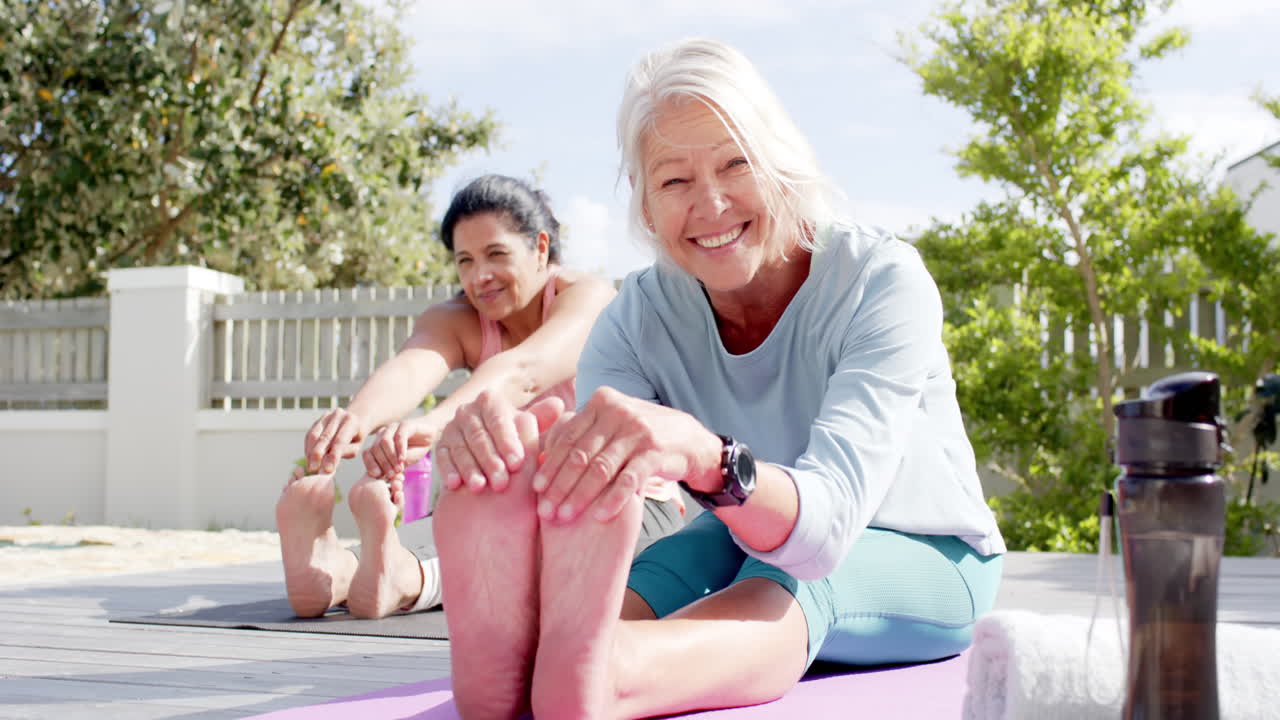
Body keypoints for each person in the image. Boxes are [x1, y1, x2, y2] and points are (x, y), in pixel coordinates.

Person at [428, 39, 1007, 720]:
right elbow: (584, 486)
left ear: (782, 168)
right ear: (645, 209)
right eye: (673, 181)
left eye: (736, 165)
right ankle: (534, 658)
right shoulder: (636, 315)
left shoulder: (880, 281)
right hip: (739, 529)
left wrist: (707, 457)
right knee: (654, 572)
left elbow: (826, 532)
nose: (709, 203)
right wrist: (506, 458)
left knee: (797, 574)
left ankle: (615, 674)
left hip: (927, 553)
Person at [275, 174, 687, 620]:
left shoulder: (590, 298)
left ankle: (405, 579)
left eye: (495, 254)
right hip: (517, 499)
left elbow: (523, 374)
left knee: (519, 538)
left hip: (630, 500)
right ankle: (334, 572)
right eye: (464, 261)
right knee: (474, 518)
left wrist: (433, 427)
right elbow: (413, 365)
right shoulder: (458, 319)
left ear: (541, 248)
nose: (479, 276)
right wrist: (356, 419)